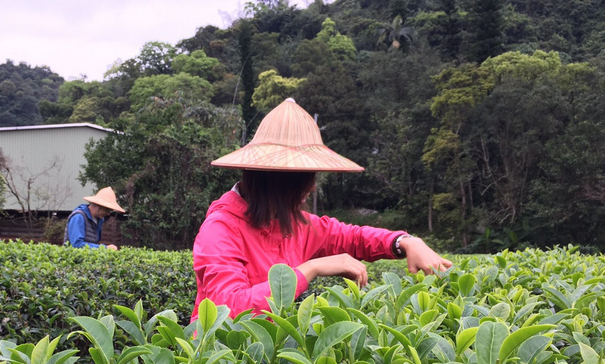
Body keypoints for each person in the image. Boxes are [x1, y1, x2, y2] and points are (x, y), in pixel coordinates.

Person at [192, 98, 452, 320]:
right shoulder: (220, 230)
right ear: (282, 181)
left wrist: (405, 242)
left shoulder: (296, 224)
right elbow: (228, 311)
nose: (312, 188)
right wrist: (310, 269)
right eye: (307, 180)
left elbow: (353, 237)